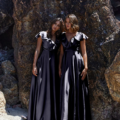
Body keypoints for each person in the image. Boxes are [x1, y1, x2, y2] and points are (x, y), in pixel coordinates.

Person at [21, 18, 63, 120]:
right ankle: (37, 115)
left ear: (59, 27)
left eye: (58, 25)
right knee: (40, 87)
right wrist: (34, 65)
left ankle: (49, 116)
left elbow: (61, 54)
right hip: (42, 63)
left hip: (53, 64)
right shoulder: (42, 34)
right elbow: (37, 49)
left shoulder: (60, 38)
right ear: (51, 23)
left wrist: (59, 68)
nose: (55, 26)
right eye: (54, 23)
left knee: (51, 88)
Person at [59, 14, 91, 120]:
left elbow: (84, 53)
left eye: (69, 22)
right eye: (66, 22)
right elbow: (61, 54)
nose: (67, 24)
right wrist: (59, 67)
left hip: (77, 64)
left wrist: (85, 68)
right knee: (65, 89)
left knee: (77, 89)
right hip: (66, 64)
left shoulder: (81, 35)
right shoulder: (62, 35)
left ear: (74, 23)